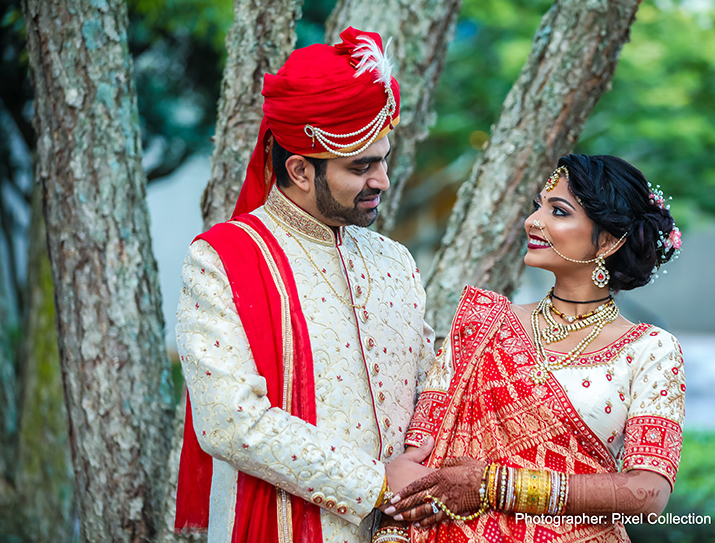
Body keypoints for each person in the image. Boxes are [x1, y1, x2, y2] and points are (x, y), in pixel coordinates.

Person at [174, 27, 437, 543]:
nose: (382, 179)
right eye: (361, 166)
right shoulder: (223, 260)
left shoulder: (393, 259)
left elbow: (428, 381)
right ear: (298, 169)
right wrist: (379, 483)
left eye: (384, 159)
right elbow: (230, 421)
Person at [381, 155, 685, 542]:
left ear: (609, 240)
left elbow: (649, 493)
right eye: (537, 206)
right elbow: (417, 457)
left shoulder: (651, 350)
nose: (533, 221)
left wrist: (492, 486)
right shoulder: (483, 322)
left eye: (557, 211)